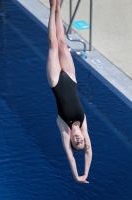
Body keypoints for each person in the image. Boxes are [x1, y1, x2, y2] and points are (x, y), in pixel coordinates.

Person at [46, 0, 92, 183]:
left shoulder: (64, 129)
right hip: (71, 78)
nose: (79, 141)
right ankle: (58, 8)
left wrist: (78, 176)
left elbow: (71, 157)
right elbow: (88, 151)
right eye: (82, 142)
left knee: (52, 44)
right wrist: (87, 172)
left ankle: (52, 8)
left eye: (76, 143)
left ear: (72, 141)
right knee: (63, 43)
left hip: (56, 80)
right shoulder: (84, 125)